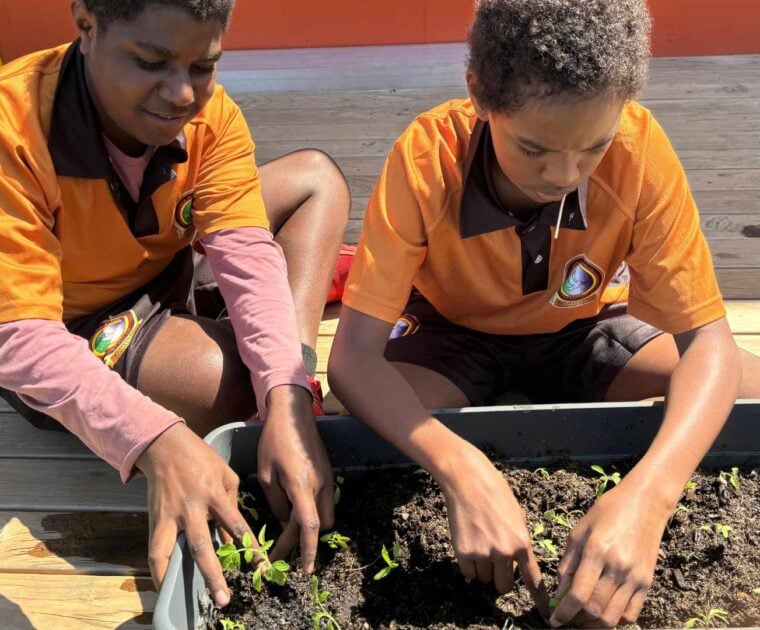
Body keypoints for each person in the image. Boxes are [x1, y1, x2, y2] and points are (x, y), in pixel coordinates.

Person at [328, 0, 760, 626]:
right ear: (479, 94)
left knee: (743, 386)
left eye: (594, 147)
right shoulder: (427, 160)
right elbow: (353, 360)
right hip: (452, 339)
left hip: (583, 332)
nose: (563, 173)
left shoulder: (640, 152)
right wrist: (461, 469)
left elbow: (709, 346)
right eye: (533, 148)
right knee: (350, 422)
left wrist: (648, 498)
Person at [0, 0, 353, 607]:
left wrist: (288, 395)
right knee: (226, 383)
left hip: (167, 262)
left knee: (315, 179)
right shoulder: (15, 129)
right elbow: (19, 335)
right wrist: (154, 438)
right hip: (72, 324)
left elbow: (243, 247)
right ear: (86, 27)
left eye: (203, 66)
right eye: (151, 62)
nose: (183, 94)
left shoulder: (211, 113)